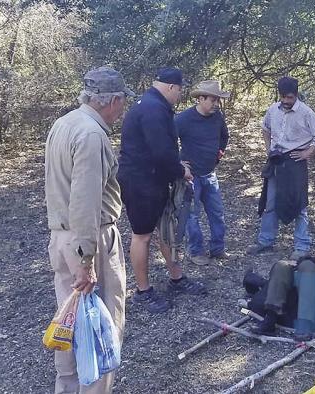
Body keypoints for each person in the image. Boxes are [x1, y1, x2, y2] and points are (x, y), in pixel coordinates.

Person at [45, 66, 133, 393]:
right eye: (122, 100)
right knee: (101, 330)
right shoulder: (92, 134)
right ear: (111, 100)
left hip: (62, 238)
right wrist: (87, 260)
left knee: (68, 323)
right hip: (91, 239)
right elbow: (85, 200)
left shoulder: (64, 123)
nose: (122, 108)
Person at [118, 67, 205, 314]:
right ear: (170, 87)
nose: (180, 95)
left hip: (154, 179)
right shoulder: (153, 109)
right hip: (139, 181)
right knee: (142, 235)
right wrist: (181, 171)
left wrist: (176, 166)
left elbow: (163, 150)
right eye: (179, 90)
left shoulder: (153, 105)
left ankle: (176, 278)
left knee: (165, 229)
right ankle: (143, 292)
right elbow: (160, 152)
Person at [247, 76, 315, 260]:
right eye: (283, 97)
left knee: (299, 204)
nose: (286, 101)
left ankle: (301, 245)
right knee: (270, 203)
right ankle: (266, 241)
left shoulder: (306, 112)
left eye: (290, 98)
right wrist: (269, 149)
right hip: (276, 160)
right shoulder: (273, 110)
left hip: (295, 162)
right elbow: (265, 128)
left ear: (296, 95)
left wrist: (308, 152)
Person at [246, 246, 315, 341]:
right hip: (295, 297)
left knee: (307, 266)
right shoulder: (302, 261)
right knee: (282, 265)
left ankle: (304, 325)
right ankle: (270, 318)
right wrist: (292, 268)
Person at [176, 80, 230, 264]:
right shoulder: (183, 119)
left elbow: (224, 136)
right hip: (192, 176)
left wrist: (218, 154)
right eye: (213, 100)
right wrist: (179, 163)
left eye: (218, 100)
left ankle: (218, 249)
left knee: (217, 212)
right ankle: (196, 252)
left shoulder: (217, 117)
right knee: (192, 215)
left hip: (210, 173)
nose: (216, 104)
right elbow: (167, 141)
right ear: (200, 98)